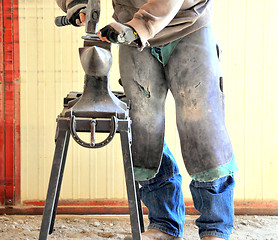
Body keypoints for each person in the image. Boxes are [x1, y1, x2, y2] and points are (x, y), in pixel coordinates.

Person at [56, 0, 239, 239]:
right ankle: (164, 223)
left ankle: (215, 227)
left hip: (186, 24)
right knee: (144, 129)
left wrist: (138, 26)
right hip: (131, 28)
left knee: (203, 128)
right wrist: (77, 4)